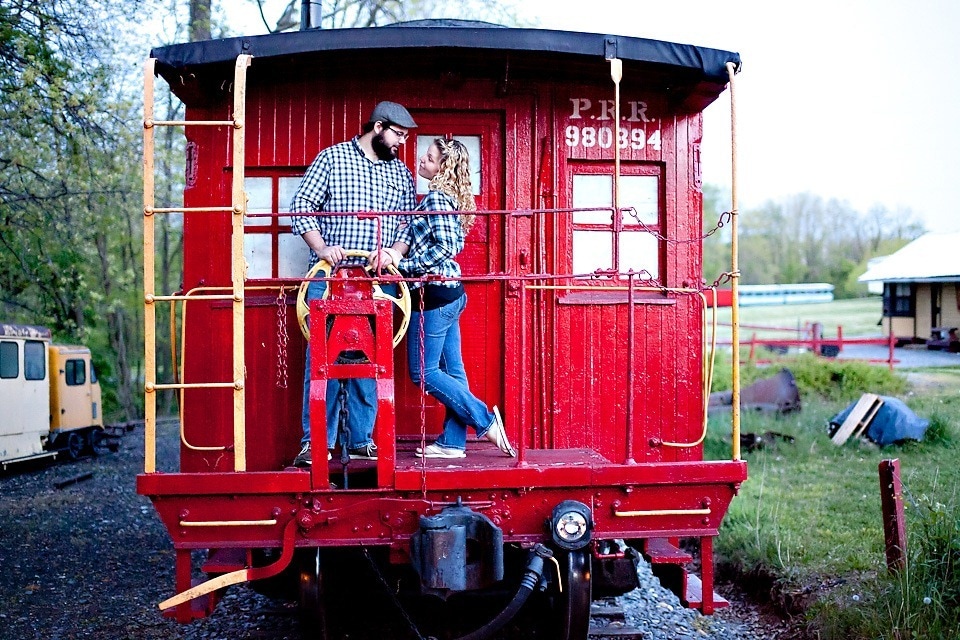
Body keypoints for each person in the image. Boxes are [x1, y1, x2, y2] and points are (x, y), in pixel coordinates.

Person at [289, 101, 417, 467]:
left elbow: (408, 225)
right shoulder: (332, 159)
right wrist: (323, 248)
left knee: (371, 359)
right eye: (398, 135)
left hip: (379, 283)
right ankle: (315, 443)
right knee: (322, 362)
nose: (401, 144)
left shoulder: (402, 174)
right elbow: (302, 206)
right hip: (330, 279)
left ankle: (361, 440)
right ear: (378, 127)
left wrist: (393, 251)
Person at [394, 138, 515, 459]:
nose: (422, 160)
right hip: (449, 293)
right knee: (453, 370)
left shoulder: (436, 197)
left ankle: (485, 421)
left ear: (442, 168)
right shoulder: (437, 197)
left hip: (434, 295)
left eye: (430, 158)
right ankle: (452, 443)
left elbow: (447, 248)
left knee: (423, 373)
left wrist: (403, 267)